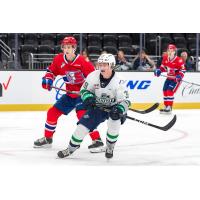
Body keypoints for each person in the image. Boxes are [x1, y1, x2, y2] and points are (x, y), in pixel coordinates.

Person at [34, 36, 104, 152]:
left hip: (82, 96)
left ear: (74, 48)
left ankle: (97, 140)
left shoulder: (83, 62)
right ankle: (48, 139)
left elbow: (94, 80)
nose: (66, 49)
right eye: (65, 47)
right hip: (70, 95)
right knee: (52, 113)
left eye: (69, 47)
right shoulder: (59, 59)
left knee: (83, 116)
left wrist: (88, 93)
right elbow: (51, 71)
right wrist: (48, 79)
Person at [57, 53, 131, 159]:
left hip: (113, 108)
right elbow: (84, 90)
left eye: (105, 65)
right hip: (97, 107)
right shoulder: (93, 76)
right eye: (100, 64)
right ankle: (70, 149)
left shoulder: (119, 80)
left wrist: (120, 110)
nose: (102, 67)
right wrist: (88, 98)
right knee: (81, 128)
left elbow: (126, 101)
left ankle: (110, 147)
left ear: (112, 65)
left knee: (114, 127)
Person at [154, 44, 186, 114]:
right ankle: (166, 106)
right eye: (168, 50)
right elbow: (162, 67)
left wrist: (179, 76)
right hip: (168, 78)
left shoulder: (179, 60)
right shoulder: (165, 58)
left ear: (174, 51)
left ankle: (169, 107)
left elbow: (183, 70)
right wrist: (158, 71)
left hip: (175, 79)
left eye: (171, 50)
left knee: (169, 91)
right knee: (165, 90)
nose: (169, 51)